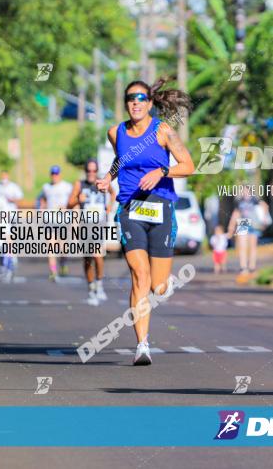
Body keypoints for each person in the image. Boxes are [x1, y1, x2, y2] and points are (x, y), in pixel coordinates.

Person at [96, 77, 194, 365]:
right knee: (139, 274)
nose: (135, 103)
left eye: (141, 98)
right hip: (130, 208)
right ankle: (142, 345)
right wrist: (108, 177)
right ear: (126, 103)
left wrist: (162, 172)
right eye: (130, 98)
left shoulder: (163, 131)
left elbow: (188, 165)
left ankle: (160, 284)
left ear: (150, 103)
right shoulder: (115, 132)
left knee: (158, 287)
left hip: (161, 209)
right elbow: (120, 159)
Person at [68, 159, 114, 306]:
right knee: (88, 259)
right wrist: (77, 200)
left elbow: (113, 193)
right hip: (85, 225)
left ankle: (99, 284)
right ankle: (91, 288)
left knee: (97, 255)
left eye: (94, 171)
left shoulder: (102, 182)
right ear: (85, 171)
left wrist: (109, 207)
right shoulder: (79, 184)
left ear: (97, 171)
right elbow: (68, 204)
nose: (91, 173)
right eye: (89, 170)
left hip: (99, 224)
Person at [226, 186, 270, 283]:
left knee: (253, 246)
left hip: (254, 223)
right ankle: (243, 268)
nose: (244, 192)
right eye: (243, 191)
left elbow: (265, 206)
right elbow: (235, 214)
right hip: (243, 222)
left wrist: (264, 219)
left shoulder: (255, 200)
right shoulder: (239, 202)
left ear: (250, 191)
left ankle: (252, 267)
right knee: (242, 246)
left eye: (246, 190)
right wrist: (231, 228)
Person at [39, 166, 73, 280]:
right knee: (51, 246)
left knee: (63, 246)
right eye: (53, 174)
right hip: (50, 221)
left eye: (56, 174)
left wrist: (67, 208)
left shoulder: (67, 187)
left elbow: (73, 200)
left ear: (60, 175)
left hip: (63, 221)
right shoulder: (46, 187)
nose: (55, 176)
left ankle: (63, 263)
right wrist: (41, 210)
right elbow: (42, 200)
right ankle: (53, 271)